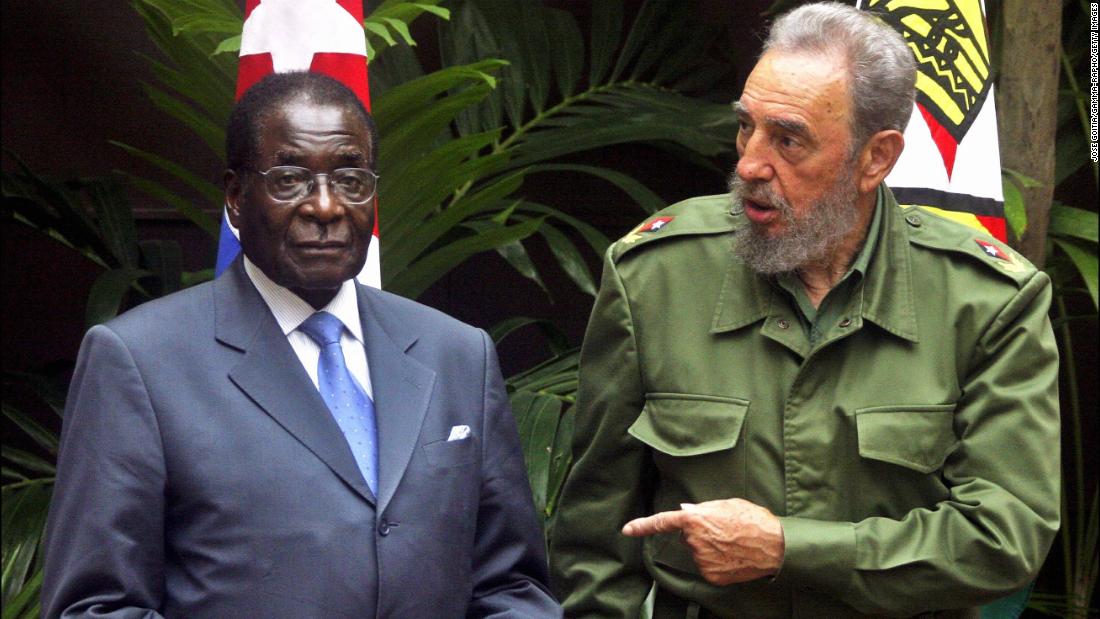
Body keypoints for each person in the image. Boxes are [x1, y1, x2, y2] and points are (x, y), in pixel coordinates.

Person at [549, 3, 1060, 617]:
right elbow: (596, 539)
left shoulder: (986, 299)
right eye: (746, 127)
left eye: (788, 139)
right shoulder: (655, 275)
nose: (749, 164)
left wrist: (788, 548)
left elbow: (1005, 537)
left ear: (876, 159)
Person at [42, 71, 560, 618]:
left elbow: (512, 588)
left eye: (351, 179)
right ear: (237, 198)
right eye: (290, 179)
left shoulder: (458, 353)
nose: (326, 207)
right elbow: (94, 607)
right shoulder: (139, 360)